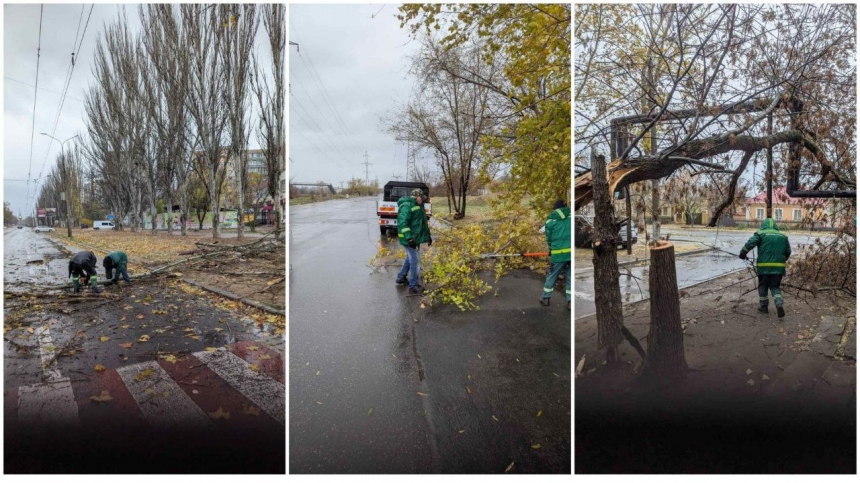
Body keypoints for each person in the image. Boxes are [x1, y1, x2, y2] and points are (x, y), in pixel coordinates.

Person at [739, 218, 792, 318]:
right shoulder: (783, 236)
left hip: (764, 267)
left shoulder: (760, 233)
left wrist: (742, 254)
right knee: (775, 287)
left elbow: (750, 244)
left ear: (764, 225)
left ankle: (764, 307)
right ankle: (779, 304)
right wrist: (782, 260)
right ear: (775, 226)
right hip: (778, 268)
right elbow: (788, 252)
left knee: (763, 286)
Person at [395, 188, 432, 295]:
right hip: (409, 239)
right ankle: (413, 285)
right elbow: (403, 223)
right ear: (417, 197)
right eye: (422, 198)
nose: (423, 200)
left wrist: (428, 236)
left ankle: (401, 277)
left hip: (415, 239)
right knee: (415, 261)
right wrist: (409, 238)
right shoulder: (407, 206)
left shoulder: (418, 206)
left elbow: (423, 223)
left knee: (410, 258)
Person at [541, 200, 571, 309]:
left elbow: (549, 239)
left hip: (558, 254)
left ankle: (545, 298)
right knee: (570, 277)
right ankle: (570, 302)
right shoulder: (571, 217)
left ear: (554, 209)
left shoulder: (550, 222)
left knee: (552, 275)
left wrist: (550, 250)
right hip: (570, 253)